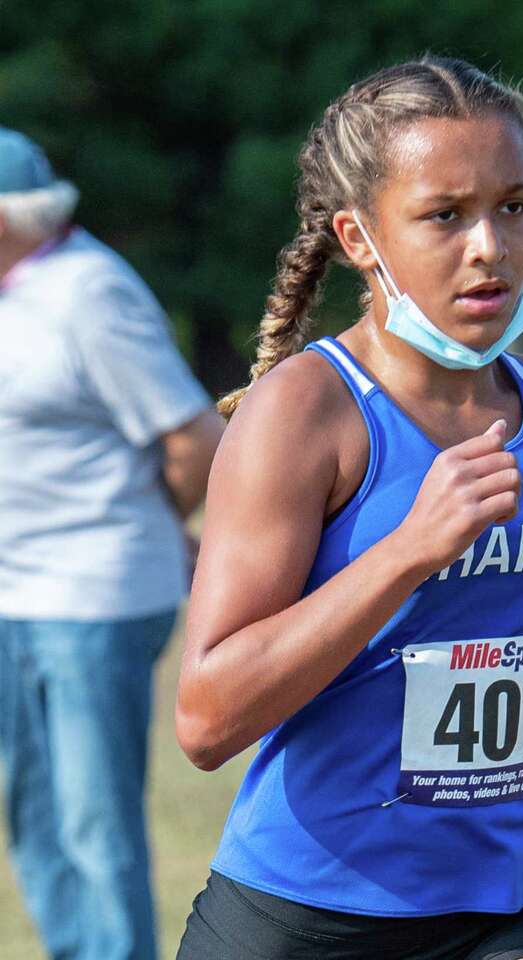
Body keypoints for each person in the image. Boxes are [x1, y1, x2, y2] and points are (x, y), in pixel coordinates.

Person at [174, 57, 523, 959]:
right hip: (310, 914)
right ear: (360, 238)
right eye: (445, 215)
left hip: (508, 902)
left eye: (512, 207)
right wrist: (406, 550)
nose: (490, 246)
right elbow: (207, 719)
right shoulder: (305, 413)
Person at [0, 127, 224, 960]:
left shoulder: (88, 293)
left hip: (93, 597)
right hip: (14, 595)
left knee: (94, 823)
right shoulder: (13, 289)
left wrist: (165, 526)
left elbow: (195, 438)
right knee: (37, 820)